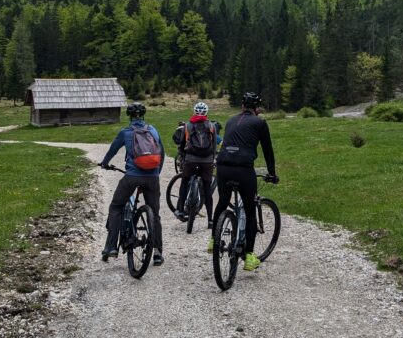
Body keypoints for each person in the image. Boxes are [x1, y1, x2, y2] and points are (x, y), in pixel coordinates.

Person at [210, 91, 278, 270]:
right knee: (249, 210)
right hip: (243, 170)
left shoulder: (231, 120)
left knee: (223, 202)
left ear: (242, 106)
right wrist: (272, 173)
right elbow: (268, 151)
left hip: (223, 168)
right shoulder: (260, 122)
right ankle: (249, 256)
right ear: (257, 108)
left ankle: (213, 241)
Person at [100, 102, 165, 266]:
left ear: (129, 116)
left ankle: (111, 247)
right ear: (143, 115)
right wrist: (156, 173)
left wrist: (104, 163)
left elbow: (113, 150)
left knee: (116, 207)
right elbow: (161, 153)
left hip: (132, 176)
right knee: (155, 213)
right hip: (153, 177)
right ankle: (157, 253)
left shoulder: (126, 132)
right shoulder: (153, 130)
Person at [174, 100, 220, 228]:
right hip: (207, 161)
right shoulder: (211, 126)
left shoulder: (188, 125)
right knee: (207, 189)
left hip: (191, 160)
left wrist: (183, 157)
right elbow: (214, 145)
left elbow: (182, 144)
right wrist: (212, 159)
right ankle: (210, 220)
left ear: (194, 112)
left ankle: (180, 210)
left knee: (184, 182)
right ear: (206, 113)